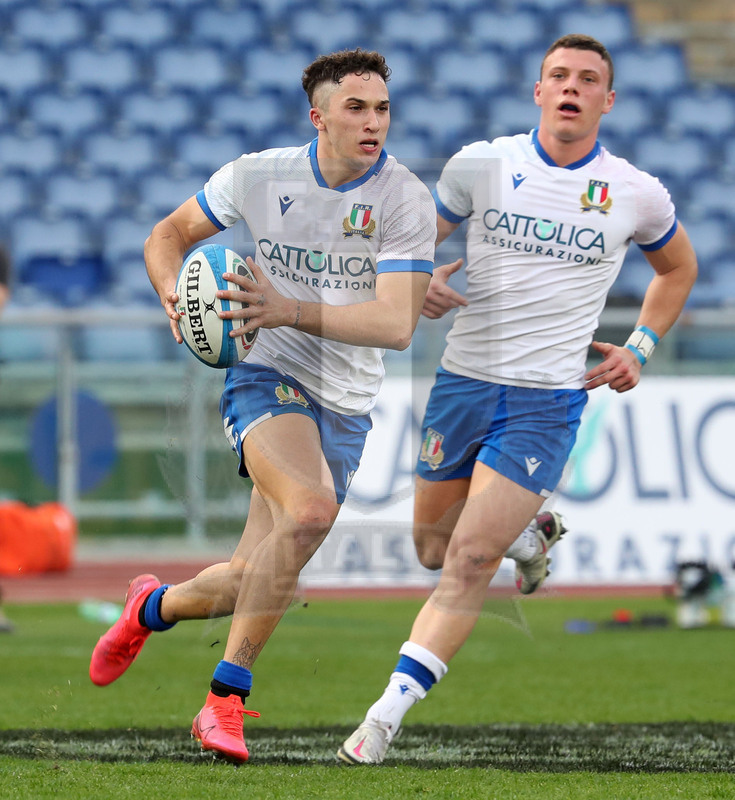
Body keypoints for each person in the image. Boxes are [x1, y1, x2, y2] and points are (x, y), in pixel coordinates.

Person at [338, 34, 698, 765]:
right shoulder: (483, 164)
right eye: (558, 76)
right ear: (537, 91)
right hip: (463, 384)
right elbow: (404, 242)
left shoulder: (635, 192)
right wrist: (415, 282)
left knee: (471, 558)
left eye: (587, 79)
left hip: (546, 401)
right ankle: (529, 536)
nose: (571, 87)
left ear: (607, 100)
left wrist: (639, 347)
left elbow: (678, 268)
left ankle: (381, 719)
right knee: (432, 549)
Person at [88, 48, 437, 763]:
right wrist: (175, 296)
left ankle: (149, 607)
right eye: (355, 108)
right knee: (309, 513)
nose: (373, 122)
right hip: (265, 373)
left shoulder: (404, 199)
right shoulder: (258, 176)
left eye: (382, 108)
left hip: (346, 403)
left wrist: (287, 307)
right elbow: (166, 236)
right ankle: (224, 698)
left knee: (252, 579)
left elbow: (396, 325)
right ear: (318, 118)